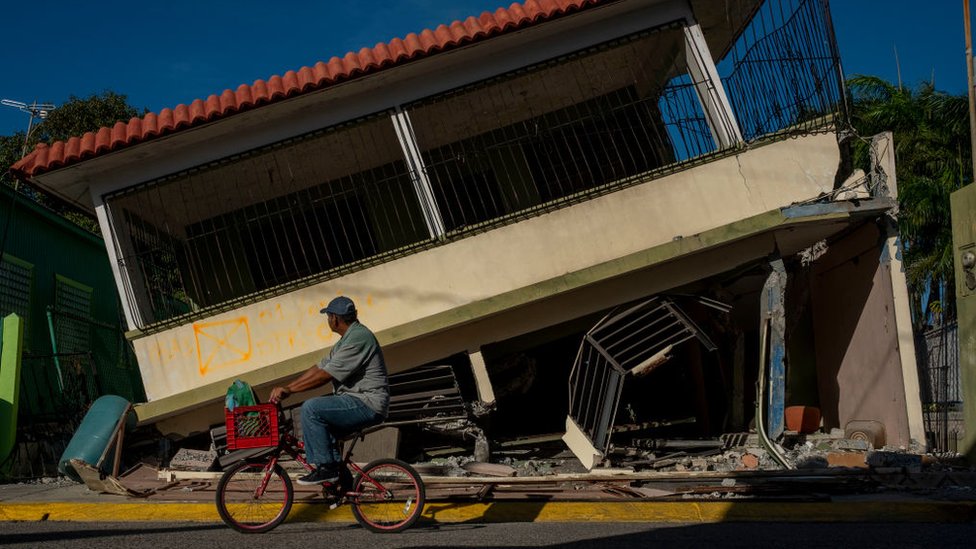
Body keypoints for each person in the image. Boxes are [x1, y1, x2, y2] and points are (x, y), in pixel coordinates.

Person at [269, 296, 389, 485]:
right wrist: (288, 387)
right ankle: (341, 481)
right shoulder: (346, 340)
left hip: (367, 403)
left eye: (328, 316)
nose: (328, 321)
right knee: (322, 428)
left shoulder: (359, 338)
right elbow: (318, 368)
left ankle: (327, 469)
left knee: (312, 408)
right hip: (356, 401)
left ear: (334, 319)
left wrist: (290, 390)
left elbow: (325, 375)